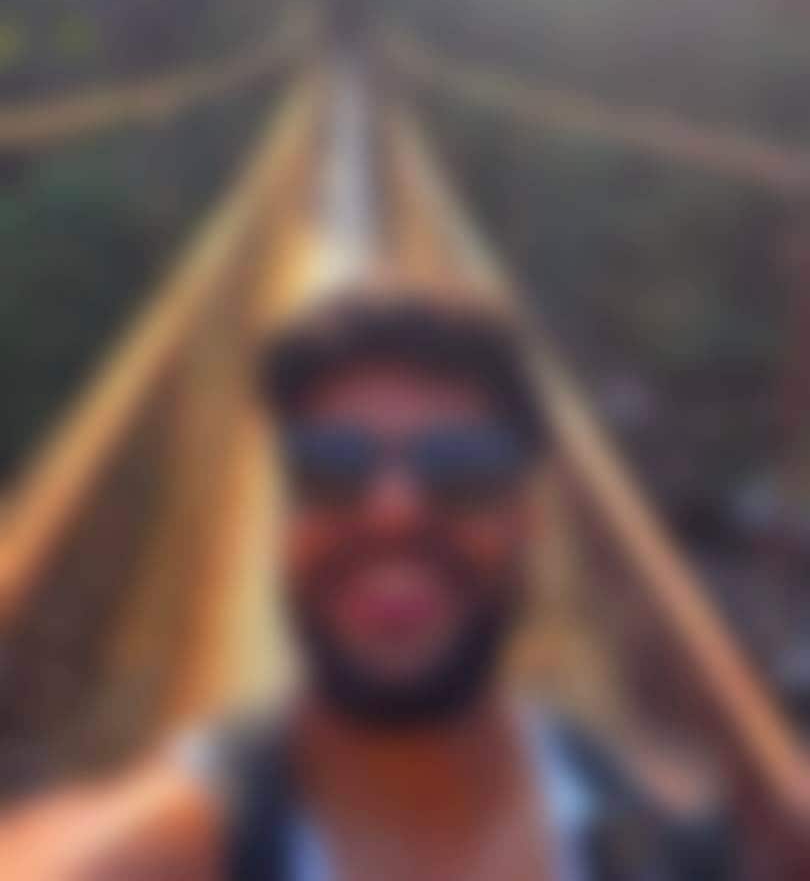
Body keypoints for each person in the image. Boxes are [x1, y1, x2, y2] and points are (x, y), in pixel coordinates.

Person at [0, 283, 731, 879]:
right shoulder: (165, 848)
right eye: (332, 466)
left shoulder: (665, 844)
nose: (392, 511)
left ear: (527, 517)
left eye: (461, 466)